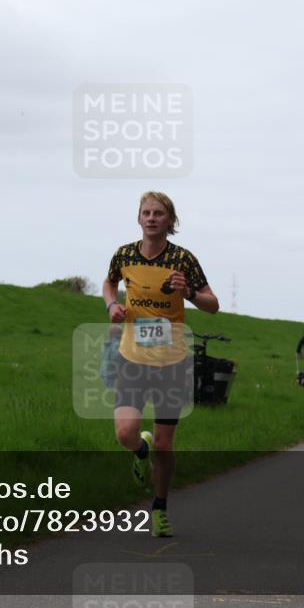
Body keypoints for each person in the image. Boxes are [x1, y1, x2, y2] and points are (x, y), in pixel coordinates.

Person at [102, 191, 218, 537]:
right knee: (124, 432)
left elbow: (213, 304)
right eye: (146, 212)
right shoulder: (124, 255)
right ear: (139, 219)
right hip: (132, 359)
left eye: (159, 213)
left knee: (166, 444)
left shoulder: (184, 260)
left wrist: (191, 295)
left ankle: (160, 508)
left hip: (172, 363)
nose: (151, 218)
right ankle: (140, 450)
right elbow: (109, 282)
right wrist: (112, 306)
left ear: (170, 221)